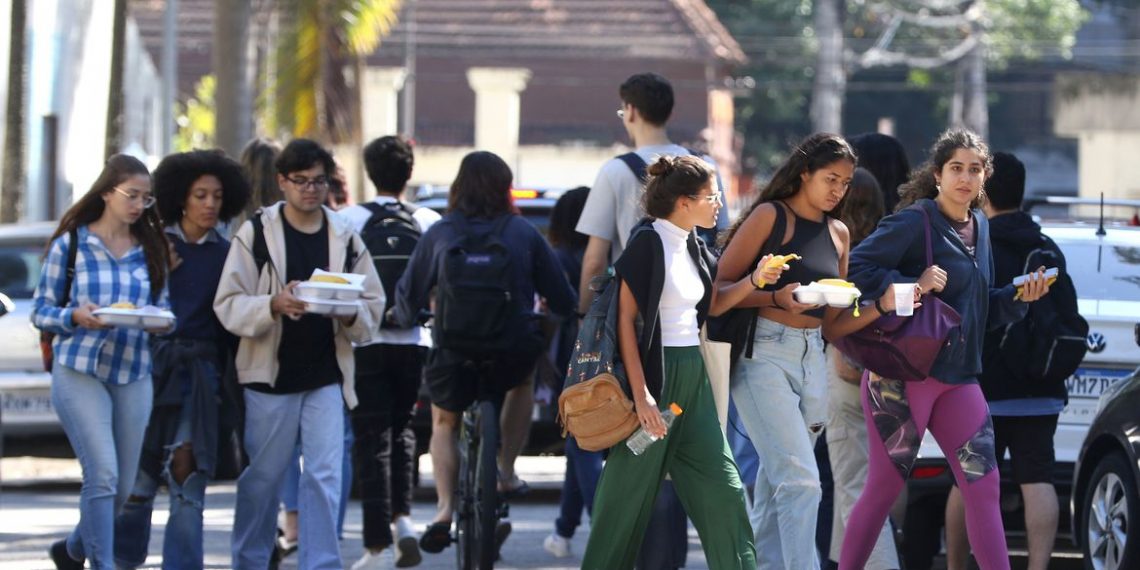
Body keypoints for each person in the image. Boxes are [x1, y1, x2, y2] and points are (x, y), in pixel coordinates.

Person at [825, 129, 1053, 570]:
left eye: (974, 169)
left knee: (984, 488)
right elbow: (856, 272)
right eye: (956, 169)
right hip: (901, 377)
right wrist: (914, 287)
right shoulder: (916, 221)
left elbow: (981, 308)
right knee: (883, 489)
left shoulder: (980, 226)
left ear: (984, 177)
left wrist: (1021, 298)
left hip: (957, 378)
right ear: (937, 174)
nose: (965, 178)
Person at [391, 151, 576, 555]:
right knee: (522, 380)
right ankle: (506, 472)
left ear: (458, 187)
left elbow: (407, 298)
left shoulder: (440, 232)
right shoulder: (523, 233)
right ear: (505, 189)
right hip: (510, 350)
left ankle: (443, 510)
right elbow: (562, 298)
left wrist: (402, 314)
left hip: (453, 348)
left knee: (443, 422)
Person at [581, 155, 762, 569]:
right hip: (655, 380)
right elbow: (626, 319)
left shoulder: (694, 243)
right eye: (711, 195)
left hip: (692, 382)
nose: (719, 203)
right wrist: (642, 395)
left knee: (725, 490)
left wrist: (755, 281)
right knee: (623, 500)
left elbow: (713, 304)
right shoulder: (648, 242)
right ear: (684, 201)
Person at [576, 71, 723, 569]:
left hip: (639, 342)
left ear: (631, 112)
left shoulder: (618, 172)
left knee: (635, 465)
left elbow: (596, 264)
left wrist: (583, 330)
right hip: (669, 341)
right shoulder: (701, 167)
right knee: (664, 466)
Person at [214, 138, 385, 569]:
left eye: (318, 181)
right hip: (268, 376)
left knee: (325, 476)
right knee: (264, 479)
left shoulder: (345, 235)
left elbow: (373, 305)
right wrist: (272, 304)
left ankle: (321, 562)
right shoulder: (256, 233)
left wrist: (348, 314)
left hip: (326, 376)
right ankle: (250, 561)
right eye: (300, 181)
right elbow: (227, 303)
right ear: (281, 182)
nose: (310, 189)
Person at [715, 132, 856, 569]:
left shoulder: (839, 233)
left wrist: (884, 307)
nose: (837, 190)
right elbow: (717, 292)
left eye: (846, 183)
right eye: (830, 179)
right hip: (764, 355)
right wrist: (775, 297)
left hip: (813, 357)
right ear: (804, 173)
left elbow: (835, 321)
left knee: (780, 486)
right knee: (801, 483)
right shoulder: (770, 216)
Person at [113, 150, 250, 569]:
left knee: (188, 480)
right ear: (181, 198)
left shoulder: (231, 254)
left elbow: (234, 322)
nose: (210, 204)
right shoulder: (150, 247)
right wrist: (156, 271)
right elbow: (123, 303)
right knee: (136, 482)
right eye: (200, 195)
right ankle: (111, 556)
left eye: (217, 196)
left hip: (202, 377)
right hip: (147, 369)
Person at [34, 154, 172, 570]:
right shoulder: (72, 244)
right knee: (104, 475)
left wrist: (158, 323)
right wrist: (73, 316)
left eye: (146, 199)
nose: (138, 205)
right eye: (132, 195)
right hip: (79, 368)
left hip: (132, 370)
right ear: (107, 193)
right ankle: (102, 564)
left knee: (124, 485)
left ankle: (74, 549)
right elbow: (40, 311)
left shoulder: (151, 249)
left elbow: (163, 309)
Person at [944, 152, 1066, 570]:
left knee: (968, 481)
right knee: (1038, 480)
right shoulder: (1046, 247)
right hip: (1040, 389)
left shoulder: (975, 243)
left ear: (984, 190)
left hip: (983, 388)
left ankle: (957, 565)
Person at [338, 135, 440, 569]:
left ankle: (376, 546)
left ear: (369, 172)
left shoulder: (347, 219)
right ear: (409, 173)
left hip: (365, 339)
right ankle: (403, 523)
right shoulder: (428, 219)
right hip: (415, 340)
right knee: (402, 432)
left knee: (369, 438)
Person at [821, 133, 909, 570]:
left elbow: (831, 314)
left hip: (844, 371)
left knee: (854, 484)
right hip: (893, 375)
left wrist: (840, 351)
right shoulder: (901, 238)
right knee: (868, 483)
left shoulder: (836, 242)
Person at [540, 186, 602, 558]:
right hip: (612, 356)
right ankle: (563, 531)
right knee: (577, 442)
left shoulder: (558, 258)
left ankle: (602, 522)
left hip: (570, 358)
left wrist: (542, 361)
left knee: (581, 443)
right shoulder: (608, 253)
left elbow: (548, 314)